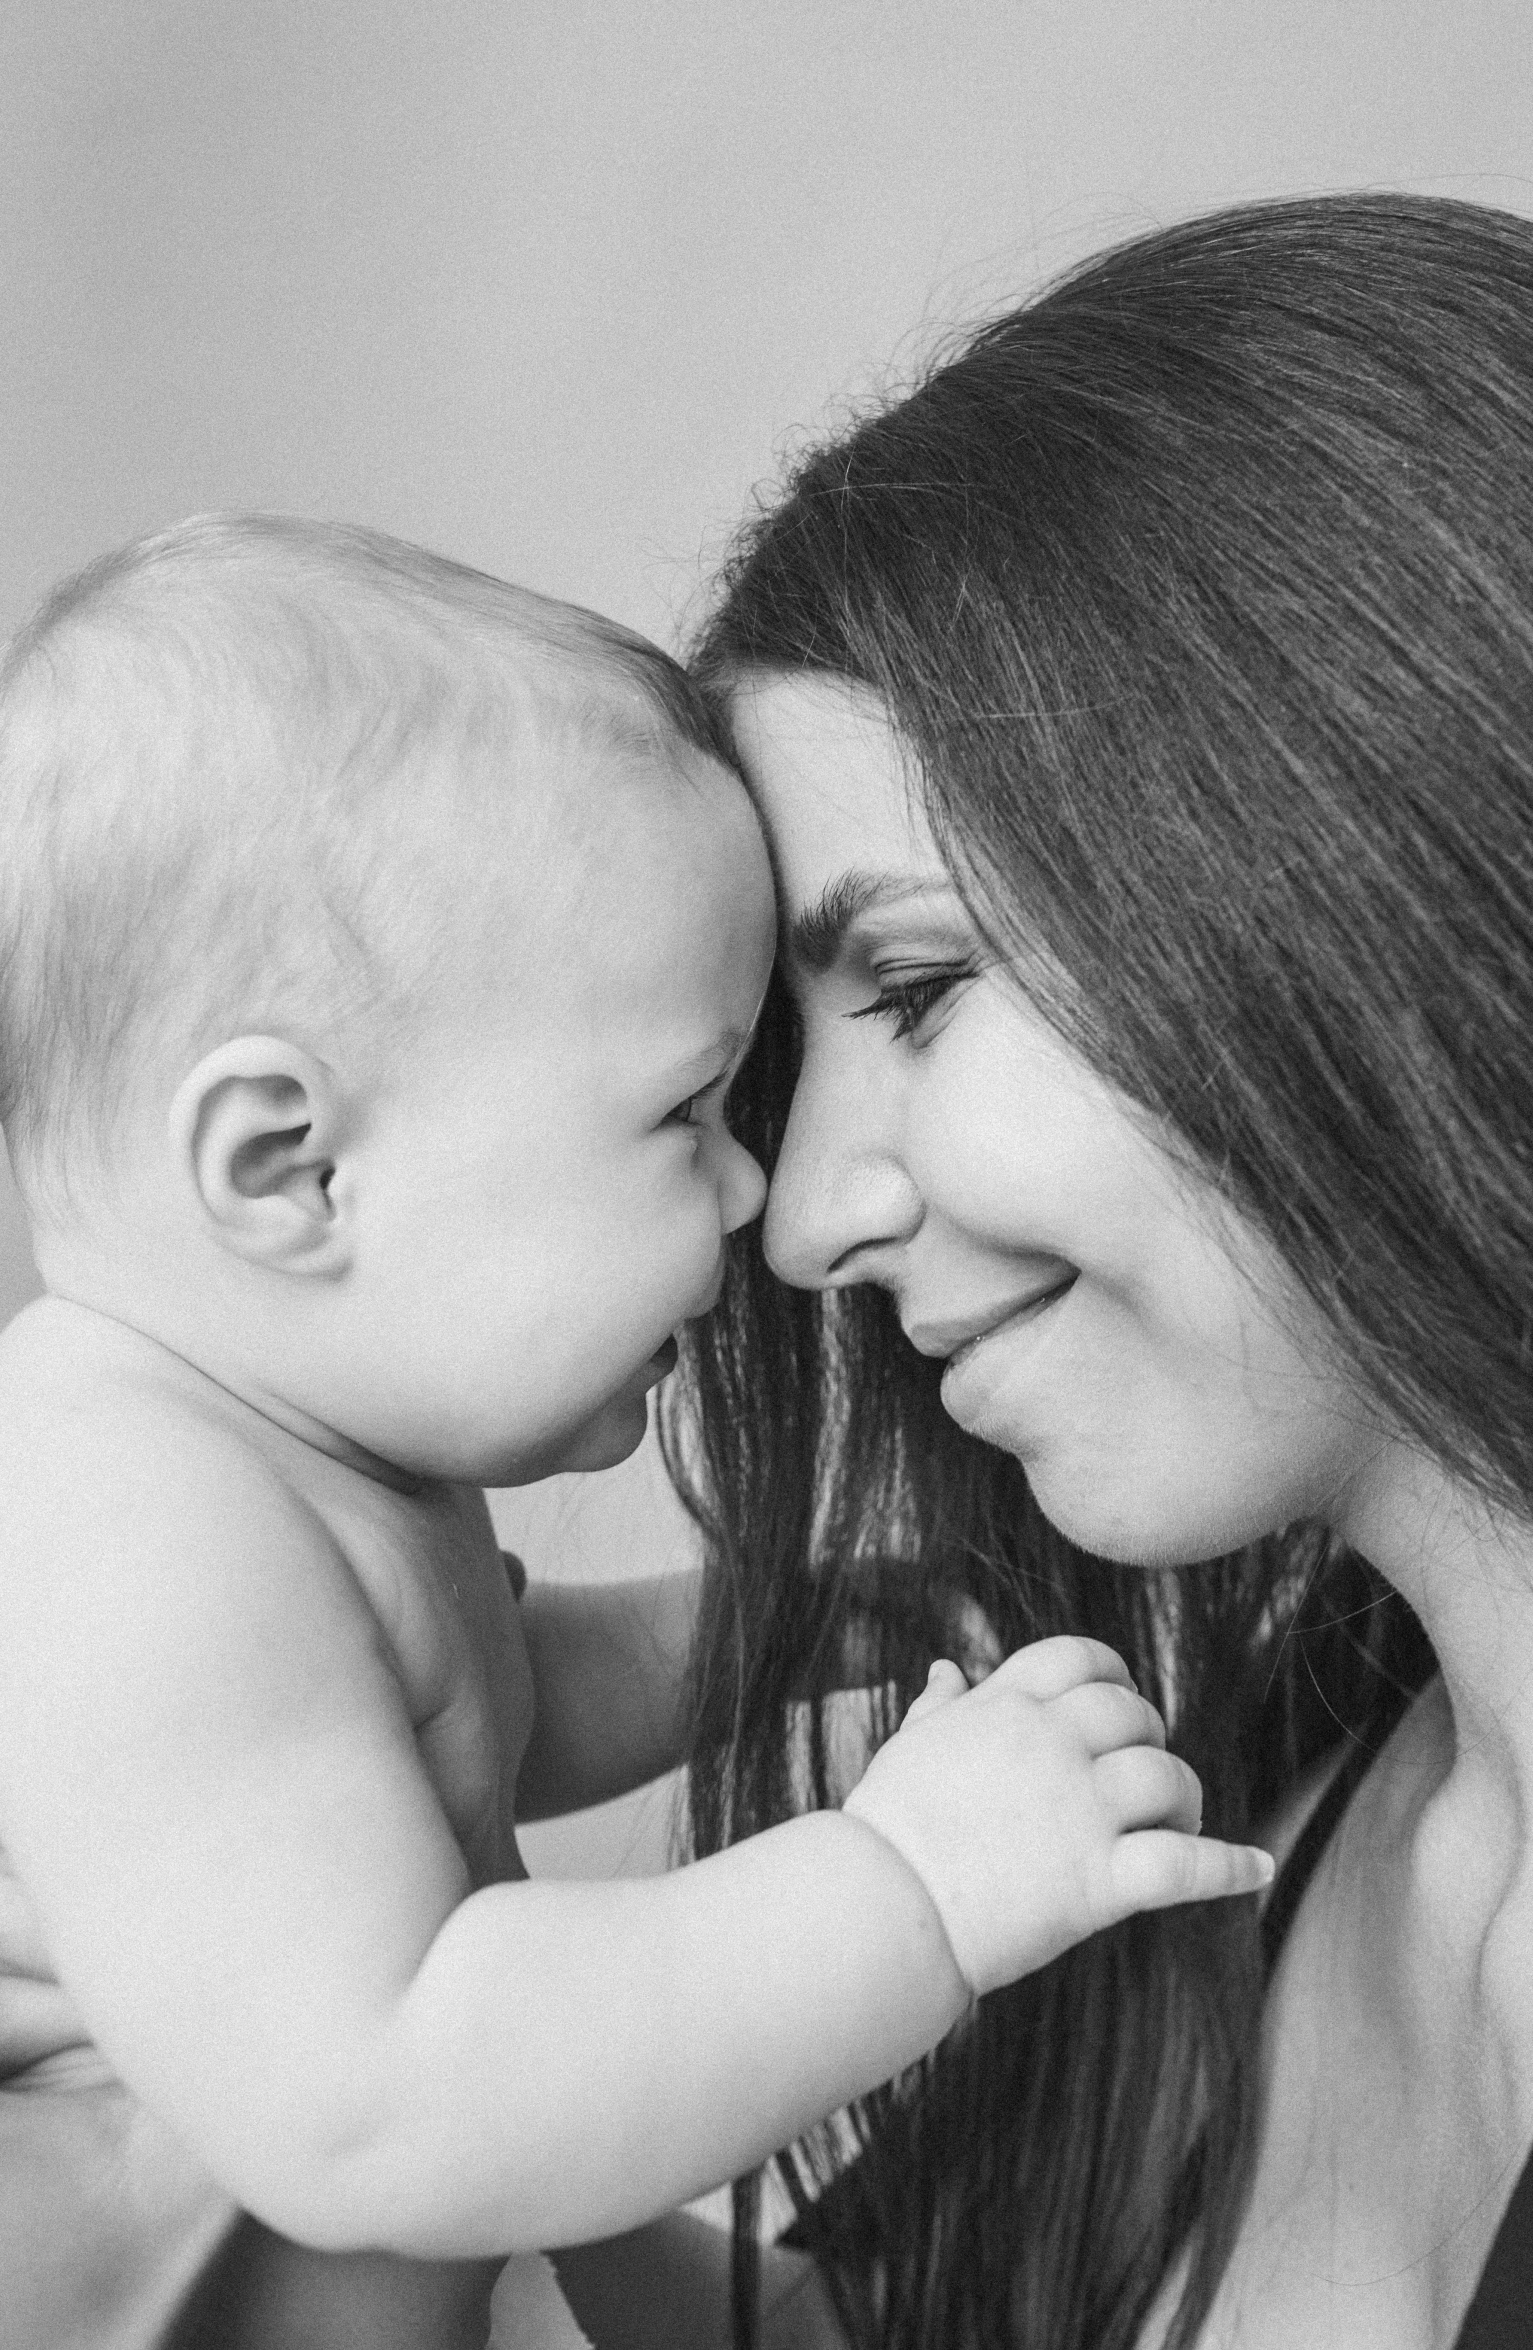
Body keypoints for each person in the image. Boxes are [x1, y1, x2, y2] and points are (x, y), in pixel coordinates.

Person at [0, 514, 1267, 2347]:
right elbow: (386, 2091)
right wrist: (901, 1886)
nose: (759, 1195)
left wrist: (775, 1623)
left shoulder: (282, 1462)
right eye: (683, 1108)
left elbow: (476, 1714)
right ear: (291, 1167)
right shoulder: (112, 1515)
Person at [674, 191, 1533, 2349]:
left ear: (1360, 856)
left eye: (920, 983)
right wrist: (331, 2042)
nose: (797, 1215)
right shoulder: (1240, 1804)